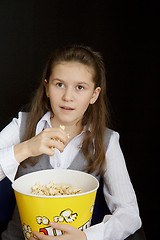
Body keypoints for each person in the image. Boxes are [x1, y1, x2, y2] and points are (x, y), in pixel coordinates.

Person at [0, 45, 141, 240]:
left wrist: (87, 237)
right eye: (59, 84)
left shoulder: (107, 141)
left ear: (94, 95)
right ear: (47, 88)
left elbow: (130, 214)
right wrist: (25, 148)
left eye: (80, 87)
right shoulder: (21, 126)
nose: (67, 97)